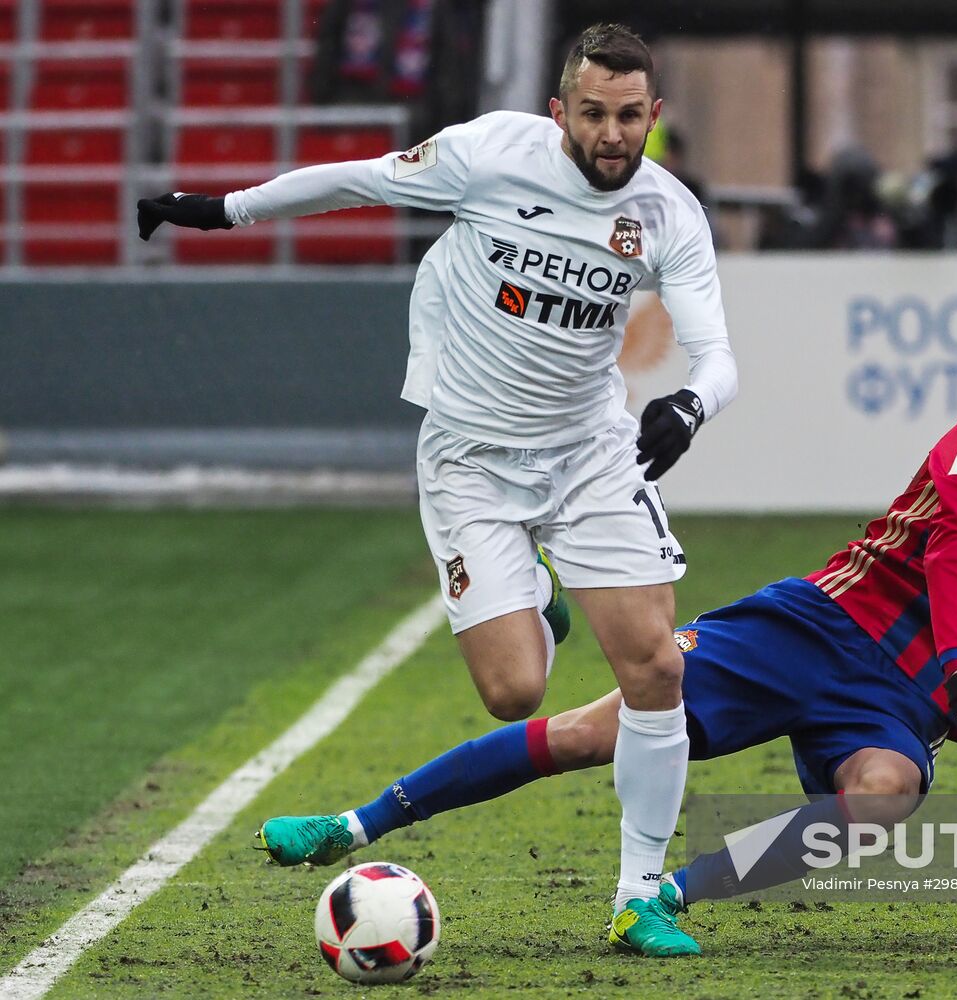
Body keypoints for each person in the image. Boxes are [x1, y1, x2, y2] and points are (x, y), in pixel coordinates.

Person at [254, 310, 957, 948]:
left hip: (901, 699)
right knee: (592, 733)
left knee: (883, 798)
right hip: (816, 626)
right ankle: (354, 824)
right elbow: (951, 550)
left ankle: (663, 897)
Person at [137, 23, 738, 958]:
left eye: (629, 116)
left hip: (589, 454)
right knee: (514, 693)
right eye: (592, 115)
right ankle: (537, 592)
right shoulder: (488, 155)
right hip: (471, 458)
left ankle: (635, 898)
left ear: (653, 115)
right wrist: (222, 209)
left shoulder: (668, 213)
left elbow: (716, 350)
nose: (612, 135)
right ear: (558, 114)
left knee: (657, 669)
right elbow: (357, 179)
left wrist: (693, 405)